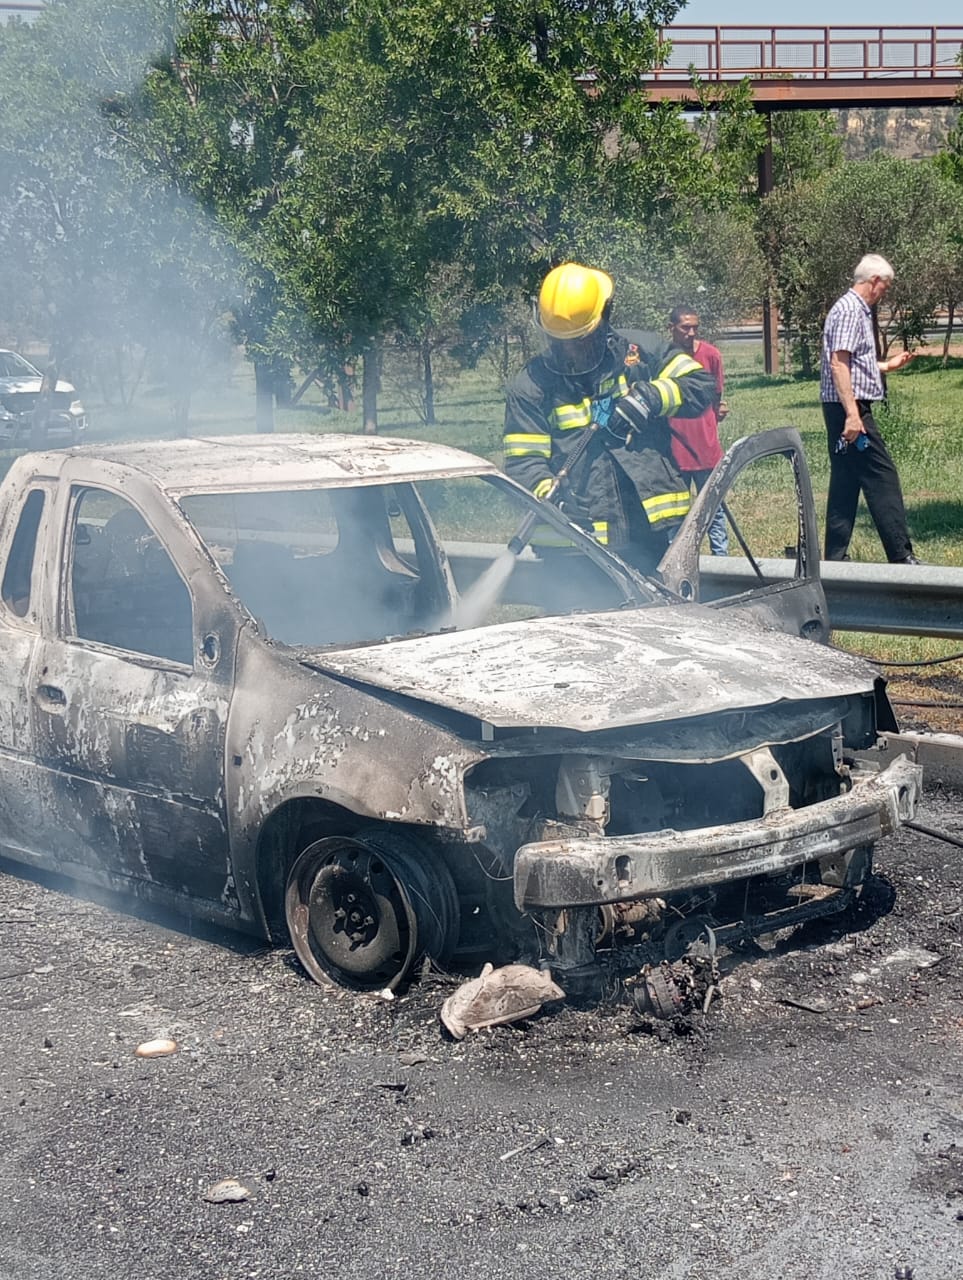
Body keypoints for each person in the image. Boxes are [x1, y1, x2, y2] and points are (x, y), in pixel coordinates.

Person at [503, 263, 716, 573]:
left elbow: (700, 386)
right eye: (560, 341)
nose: (570, 351)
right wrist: (552, 498)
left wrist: (652, 398)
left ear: (604, 317)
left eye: (580, 339)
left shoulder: (640, 353)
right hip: (571, 551)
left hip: (647, 535)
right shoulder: (531, 386)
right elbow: (522, 463)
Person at [821, 253, 918, 564]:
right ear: (874, 281)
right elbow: (839, 363)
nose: (884, 293)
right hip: (848, 408)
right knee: (882, 476)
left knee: (846, 482)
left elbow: (854, 362)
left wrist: (886, 366)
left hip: (842, 405)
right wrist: (852, 414)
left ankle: (834, 559)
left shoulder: (852, 309)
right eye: (885, 287)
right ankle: (901, 557)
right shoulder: (851, 310)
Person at [666, 306, 729, 555]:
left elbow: (716, 397)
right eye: (685, 327)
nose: (691, 333)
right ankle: (674, 559)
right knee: (674, 515)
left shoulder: (711, 356)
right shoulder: (664, 358)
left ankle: (721, 559)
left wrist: (716, 416)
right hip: (673, 451)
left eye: (695, 327)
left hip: (706, 450)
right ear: (671, 328)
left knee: (713, 509)